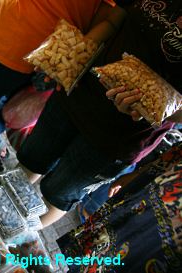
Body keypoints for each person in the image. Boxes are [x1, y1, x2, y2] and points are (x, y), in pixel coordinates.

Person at [17, 0, 182, 228]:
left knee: (59, 192)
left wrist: (149, 106)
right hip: (79, 91)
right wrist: (71, 55)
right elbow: (114, 20)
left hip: (119, 138)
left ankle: (18, 237)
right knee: (32, 157)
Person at [0, 0, 126, 147]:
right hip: (13, 42)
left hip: (52, 59)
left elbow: (102, 18)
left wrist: (70, 61)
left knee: (1, 111)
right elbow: (104, 20)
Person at [57, 141, 182, 273]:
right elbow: (173, 156)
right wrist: (137, 174)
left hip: (164, 243)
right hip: (144, 198)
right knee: (93, 255)